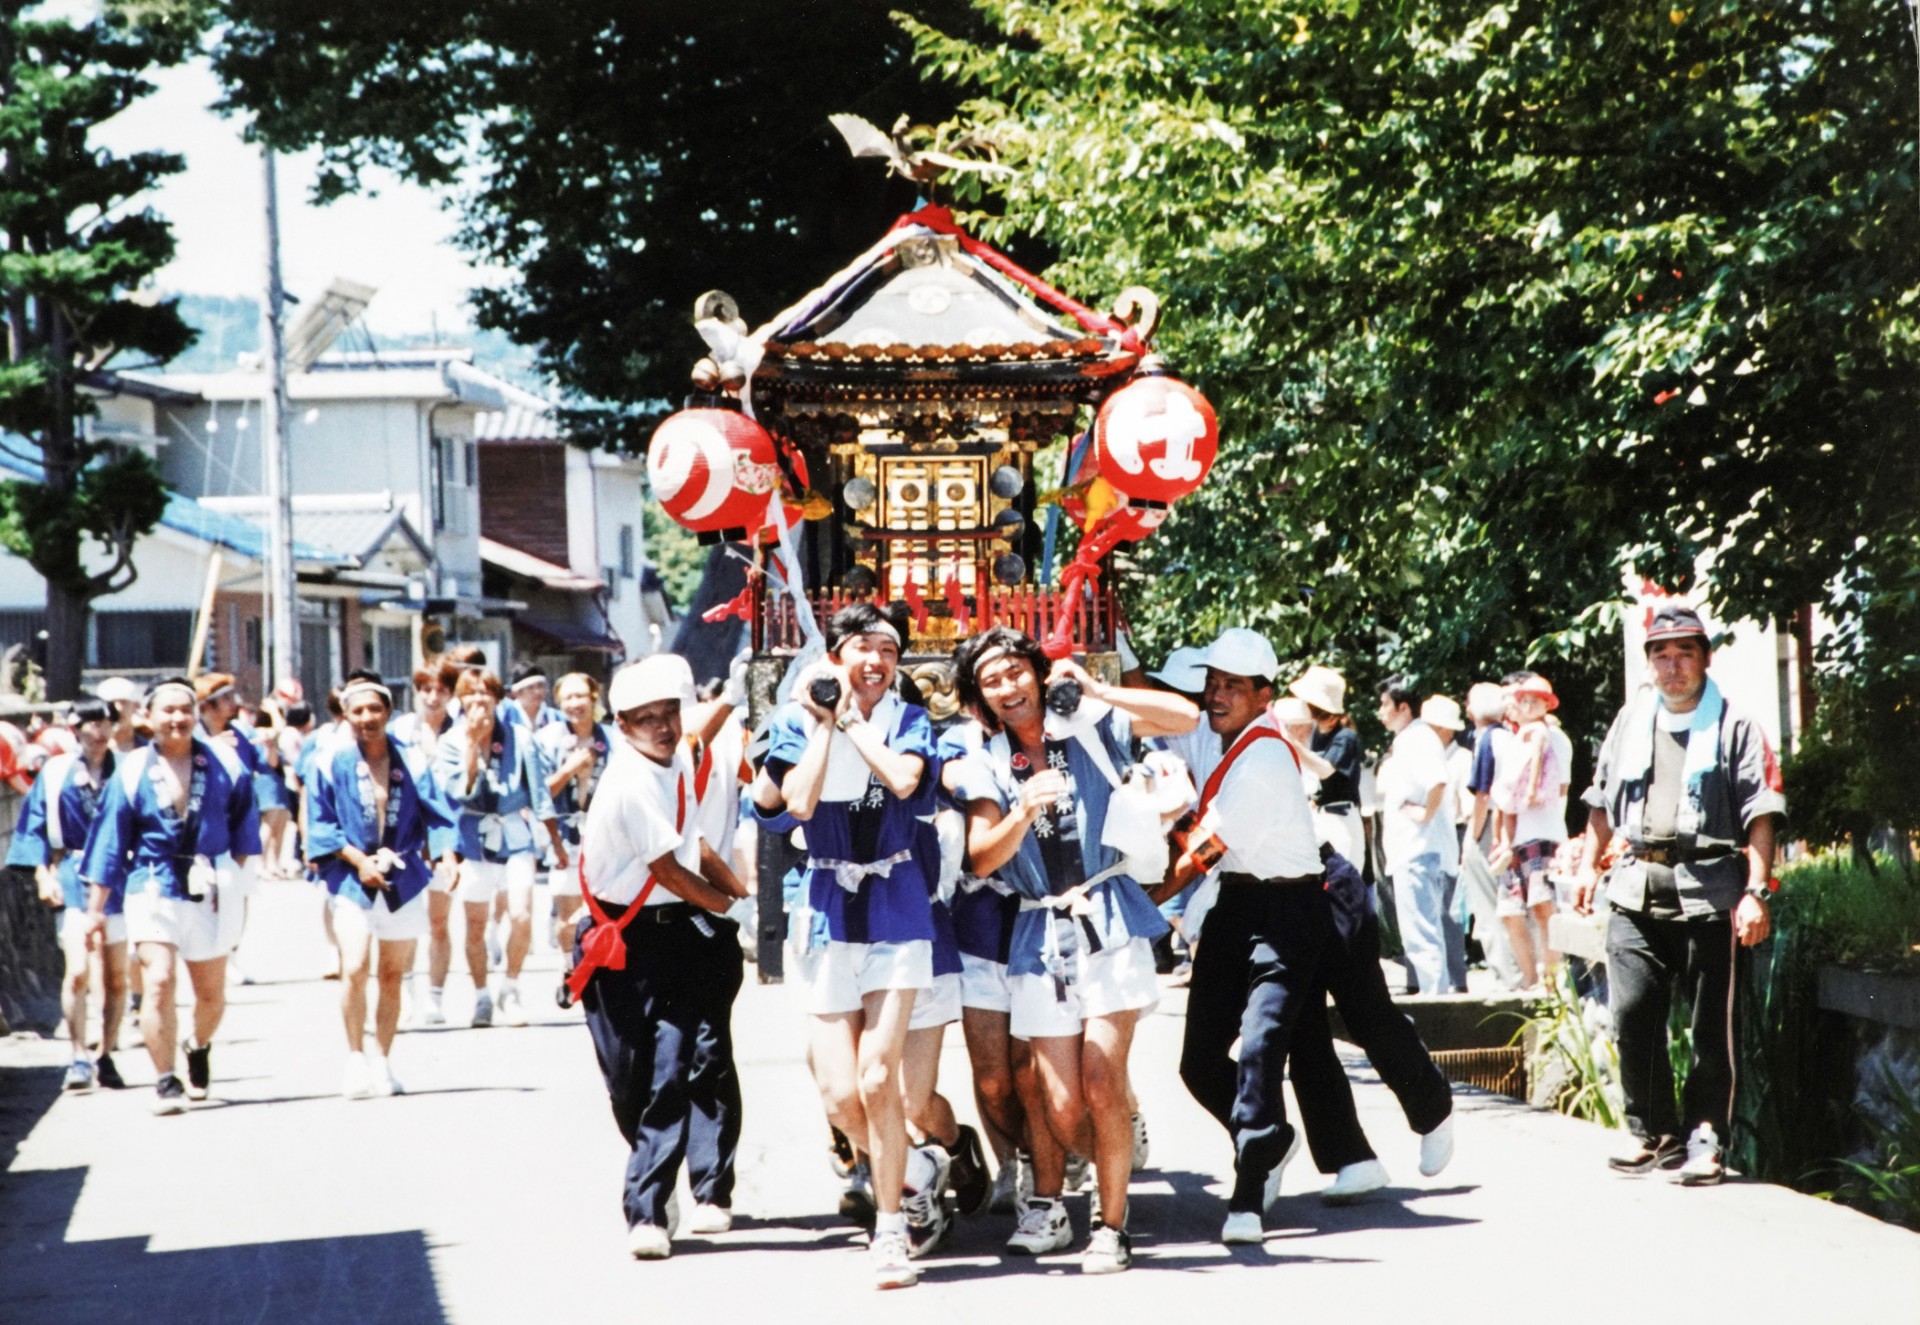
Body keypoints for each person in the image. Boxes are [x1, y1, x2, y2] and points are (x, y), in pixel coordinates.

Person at [1157, 632, 1454, 1240]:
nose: (1213, 696)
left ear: (1263, 695)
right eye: (1207, 683)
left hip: (1315, 889)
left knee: (1360, 1016)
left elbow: (1204, 848)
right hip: (1248, 894)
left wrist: (1145, 900)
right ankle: (1349, 1158)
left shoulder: (1260, 749)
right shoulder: (1191, 729)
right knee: (1298, 1039)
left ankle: (1430, 1108)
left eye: (1230, 686)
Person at [952, 625, 1199, 1274]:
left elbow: (1186, 714)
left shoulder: (1089, 727)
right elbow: (980, 856)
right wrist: (1020, 811)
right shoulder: (988, 763)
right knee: (1060, 1106)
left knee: (1099, 1076)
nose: (1008, 686)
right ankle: (1117, 1141)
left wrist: (1096, 687)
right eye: (991, 679)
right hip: (1039, 935)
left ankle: (1112, 1226)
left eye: (1015, 671)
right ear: (980, 696)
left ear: (1037, 673)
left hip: (1110, 917)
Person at [766, 603, 951, 1289]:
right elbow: (800, 803)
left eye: (887, 649)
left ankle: (892, 1227)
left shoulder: (907, 719)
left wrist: (849, 722)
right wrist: (820, 722)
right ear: (836, 656)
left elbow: (903, 781)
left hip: (896, 899)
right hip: (824, 903)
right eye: (861, 647)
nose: (874, 660)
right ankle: (917, 1165)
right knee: (842, 1094)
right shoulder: (795, 719)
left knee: (880, 1077)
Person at [1573, 603, 1784, 1185]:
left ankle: (1705, 1137)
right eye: (1661, 655)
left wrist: (1755, 891)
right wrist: (1589, 866)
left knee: (1711, 1026)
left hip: (1710, 890)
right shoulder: (1630, 722)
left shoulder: (1736, 725)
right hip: (1637, 886)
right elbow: (1599, 800)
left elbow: (1760, 811)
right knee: (1632, 1012)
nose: (1672, 667)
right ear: (1649, 665)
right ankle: (1653, 1131)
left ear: (1704, 658)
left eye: (1684, 653)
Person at [574, 654, 749, 1260]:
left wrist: (740, 899)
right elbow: (668, 869)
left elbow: (695, 845)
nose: (662, 727)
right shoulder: (627, 780)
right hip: (619, 937)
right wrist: (730, 910)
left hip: (673, 935)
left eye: (668, 713)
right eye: (643, 719)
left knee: (675, 1066)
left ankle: (646, 1208)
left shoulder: (676, 762)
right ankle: (658, 1167)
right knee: (628, 1077)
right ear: (621, 727)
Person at [79, 677, 261, 1114]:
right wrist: (95, 911)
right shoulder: (134, 769)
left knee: (211, 994)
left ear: (196, 714)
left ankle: (197, 1045)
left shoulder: (225, 762)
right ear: (148, 717)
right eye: (168, 710)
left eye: (185, 709)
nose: (178, 718)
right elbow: (109, 840)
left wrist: (236, 882)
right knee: (158, 978)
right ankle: (165, 1079)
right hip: (153, 878)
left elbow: (245, 826)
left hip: (210, 880)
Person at [307, 670, 459, 1097]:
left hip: (403, 875)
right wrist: (356, 860)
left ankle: (383, 1060)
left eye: (375, 708)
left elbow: (439, 814)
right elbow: (321, 824)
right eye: (358, 710)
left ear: (389, 712)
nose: (367, 717)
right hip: (353, 880)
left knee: (392, 974)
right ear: (346, 715)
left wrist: (447, 855)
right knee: (354, 967)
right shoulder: (330, 761)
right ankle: (355, 1057)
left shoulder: (411, 759)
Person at [434, 667, 566, 1027]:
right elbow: (459, 793)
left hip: (515, 836)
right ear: (461, 700)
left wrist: (556, 843)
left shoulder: (521, 738)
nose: (478, 701)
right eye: (471, 695)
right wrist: (472, 747)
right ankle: (481, 995)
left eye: (485, 694)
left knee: (522, 915)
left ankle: (511, 986)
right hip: (473, 838)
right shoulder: (449, 743)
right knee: (475, 924)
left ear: (497, 698)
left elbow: (540, 796)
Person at [7, 700, 128, 1091]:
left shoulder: (128, 768)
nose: (99, 731)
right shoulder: (57, 772)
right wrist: (44, 873)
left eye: (105, 722)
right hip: (75, 872)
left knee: (116, 976)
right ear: (75, 729)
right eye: (91, 723)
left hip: (122, 877)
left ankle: (105, 1052)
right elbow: (35, 825)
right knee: (77, 968)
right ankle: (78, 1053)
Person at [1375, 676, 1466, 994]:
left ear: (1403, 707)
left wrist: (1425, 813)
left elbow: (1438, 781)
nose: (1379, 712)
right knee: (1420, 935)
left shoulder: (1418, 738)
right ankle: (1434, 1000)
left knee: (1422, 935)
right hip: (1411, 851)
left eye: (1385, 704)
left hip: (1418, 851)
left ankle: (1437, 1010)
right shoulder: (1409, 739)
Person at [1489, 675, 1573, 989]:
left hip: (1544, 832)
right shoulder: (1514, 740)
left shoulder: (1553, 737)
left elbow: (1560, 786)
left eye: (1522, 698)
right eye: (1516, 699)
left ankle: (1552, 988)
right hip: (1515, 839)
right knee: (1510, 912)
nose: (1514, 704)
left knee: (1543, 908)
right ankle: (1530, 982)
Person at [540, 673, 615, 1007]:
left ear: (594, 697)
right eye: (567, 698)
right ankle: (570, 969)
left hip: (605, 836)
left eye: (580, 696)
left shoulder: (612, 739)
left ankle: (599, 972)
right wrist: (571, 770)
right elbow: (539, 792)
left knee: (604, 909)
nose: (574, 704)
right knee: (568, 915)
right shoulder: (547, 740)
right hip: (565, 836)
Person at [391, 661, 459, 1019]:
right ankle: (404, 991)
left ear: (451, 694)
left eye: (441, 691)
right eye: (426, 690)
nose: (433, 698)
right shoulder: (401, 731)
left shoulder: (460, 732)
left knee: (438, 920)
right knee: (405, 920)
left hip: (445, 836)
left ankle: (434, 995)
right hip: (408, 837)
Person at [1460, 681, 1524, 989]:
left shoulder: (1486, 740)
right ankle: (1518, 973)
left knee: (1488, 908)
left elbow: (1482, 795)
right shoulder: (1509, 736)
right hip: (1511, 828)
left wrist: (1471, 838)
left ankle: (1506, 976)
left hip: (1489, 830)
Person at [1290, 665, 1367, 870]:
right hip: (1320, 817)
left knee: (1341, 883)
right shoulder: (1316, 736)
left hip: (1340, 820)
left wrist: (1292, 744)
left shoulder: (1345, 737)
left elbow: (1326, 769)